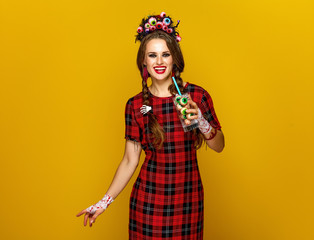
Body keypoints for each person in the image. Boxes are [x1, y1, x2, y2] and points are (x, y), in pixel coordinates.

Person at [76, 11, 225, 240]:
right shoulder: (135, 105)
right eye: (152, 55)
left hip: (188, 202)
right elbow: (129, 160)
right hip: (148, 204)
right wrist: (103, 203)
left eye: (165, 54)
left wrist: (200, 121)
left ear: (174, 57)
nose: (159, 62)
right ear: (143, 61)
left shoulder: (196, 95)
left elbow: (219, 145)